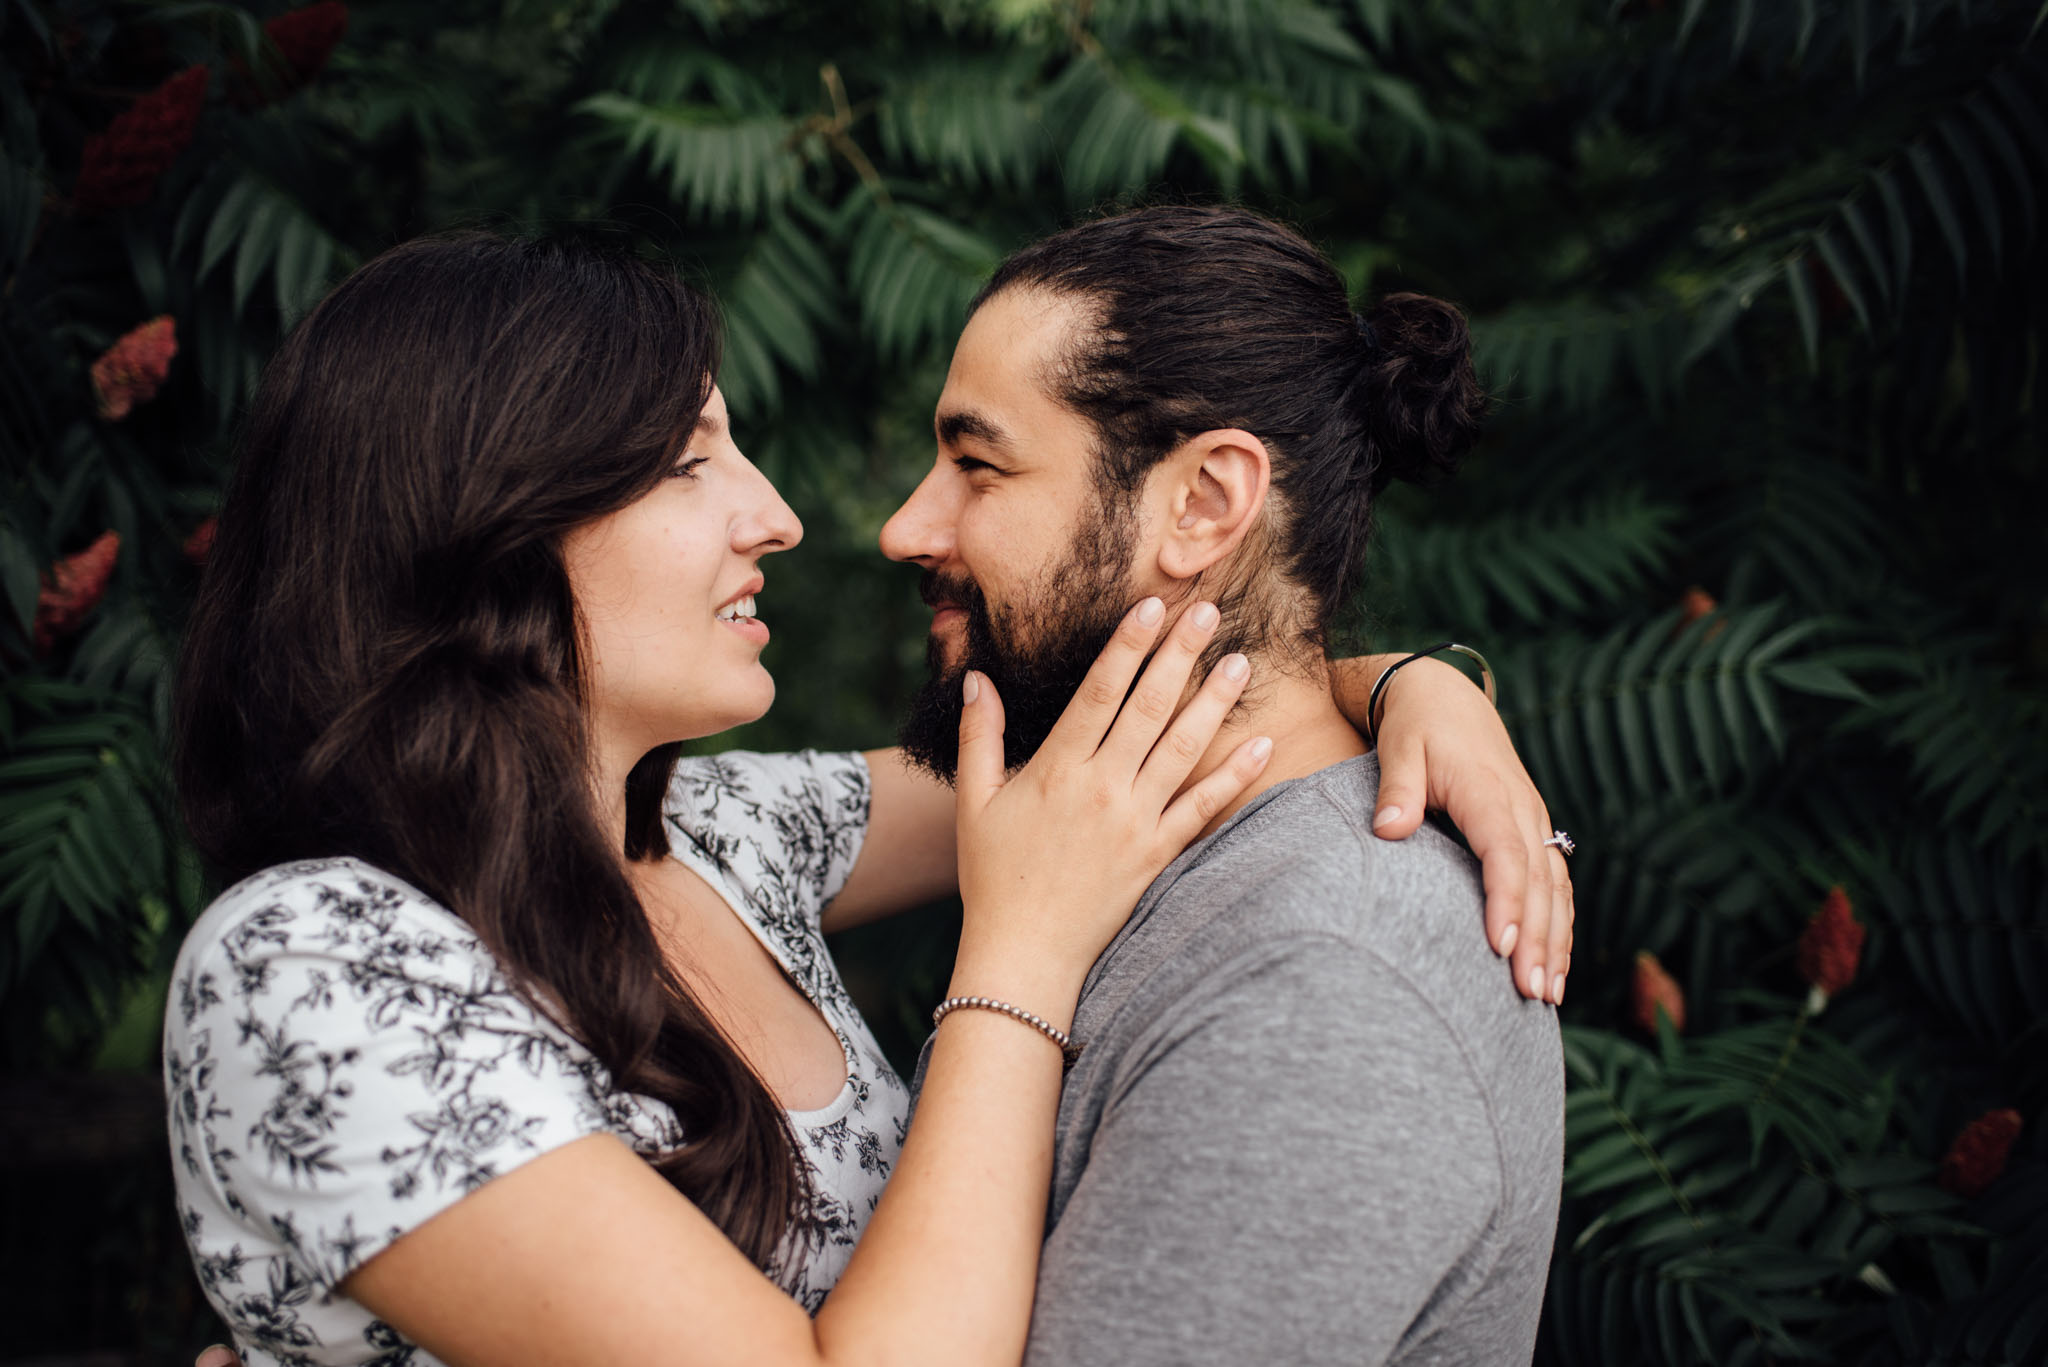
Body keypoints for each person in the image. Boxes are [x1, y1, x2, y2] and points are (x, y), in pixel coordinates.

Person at [167, 230, 1563, 1367]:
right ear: (485, 515)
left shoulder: (723, 842)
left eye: (975, 462)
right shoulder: (316, 965)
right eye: (686, 457)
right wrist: (1017, 958)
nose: (782, 513)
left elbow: (1126, 751)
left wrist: (1415, 684)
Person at [880, 205, 1566, 1365]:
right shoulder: (1096, 834)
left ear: (1203, 503)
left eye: (977, 464)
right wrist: (1410, 678)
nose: (907, 526)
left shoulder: (1324, 988)